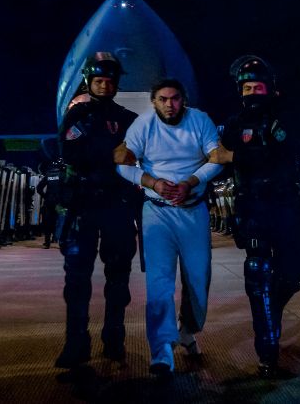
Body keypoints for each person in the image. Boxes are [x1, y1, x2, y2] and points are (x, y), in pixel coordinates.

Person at [116, 78, 223, 377]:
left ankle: (187, 330)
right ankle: (161, 350)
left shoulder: (199, 120)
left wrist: (191, 182)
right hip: (156, 213)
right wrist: (152, 182)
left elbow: (216, 159)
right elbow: (123, 165)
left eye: (175, 98)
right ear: (154, 102)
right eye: (162, 99)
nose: (169, 104)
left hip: (193, 210)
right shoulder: (142, 125)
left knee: (198, 279)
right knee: (159, 283)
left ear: (183, 100)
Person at [210, 55, 300, 378]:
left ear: (269, 88)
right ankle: (267, 355)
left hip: (286, 208)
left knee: (293, 271)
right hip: (252, 208)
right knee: (257, 274)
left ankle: (272, 306)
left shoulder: (284, 118)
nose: (252, 92)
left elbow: (280, 154)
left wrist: (236, 155)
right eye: (247, 88)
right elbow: (214, 156)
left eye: (258, 87)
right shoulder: (234, 124)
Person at [53, 52, 140, 369]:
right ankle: (76, 344)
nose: (104, 86)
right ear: (89, 82)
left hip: (117, 205)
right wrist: (111, 153)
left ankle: (114, 337)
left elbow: (134, 156)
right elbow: (71, 152)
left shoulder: (128, 118)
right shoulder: (77, 114)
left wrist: (101, 152)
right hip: (83, 205)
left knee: (119, 277)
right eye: (98, 81)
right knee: (77, 280)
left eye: (109, 81)